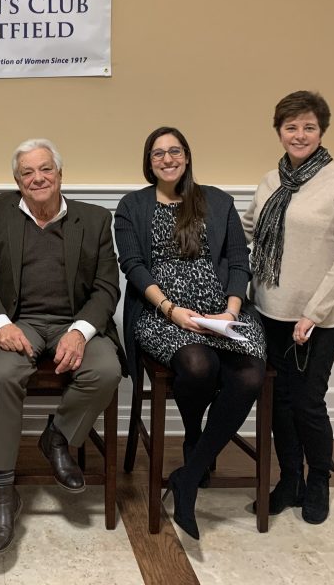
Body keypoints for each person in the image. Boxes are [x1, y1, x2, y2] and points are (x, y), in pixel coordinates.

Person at [0, 138, 123, 554]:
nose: (37, 178)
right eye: (27, 173)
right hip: (19, 323)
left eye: (45, 169)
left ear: (60, 174)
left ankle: (57, 436)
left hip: (74, 322)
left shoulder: (94, 219)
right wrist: (0, 324)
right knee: (4, 373)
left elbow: (107, 287)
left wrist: (81, 331)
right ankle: (2, 489)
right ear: (17, 181)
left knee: (106, 370)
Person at [114, 126, 266, 540]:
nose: (167, 159)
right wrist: (171, 310)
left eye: (175, 151)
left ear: (186, 156)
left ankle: (190, 470)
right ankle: (195, 432)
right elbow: (133, 265)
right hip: (162, 311)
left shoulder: (217, 201)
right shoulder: (132, 206)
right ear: (149, 163)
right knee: (199, 365)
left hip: (221, 309)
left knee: (250, 374)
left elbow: (239, 260)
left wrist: (230, 310)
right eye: (158, 153)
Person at [243, 91, 334, 525]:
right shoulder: (270, 181)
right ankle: (289, 479)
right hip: (269, 312)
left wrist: (314, 312)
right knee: (278, 403)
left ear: (322, 131)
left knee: (308, 402)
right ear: (279, 131)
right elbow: (246, 230)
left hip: (318, 319)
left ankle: (318, 480)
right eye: (291, 127)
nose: (299, 135)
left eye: (309, 127)